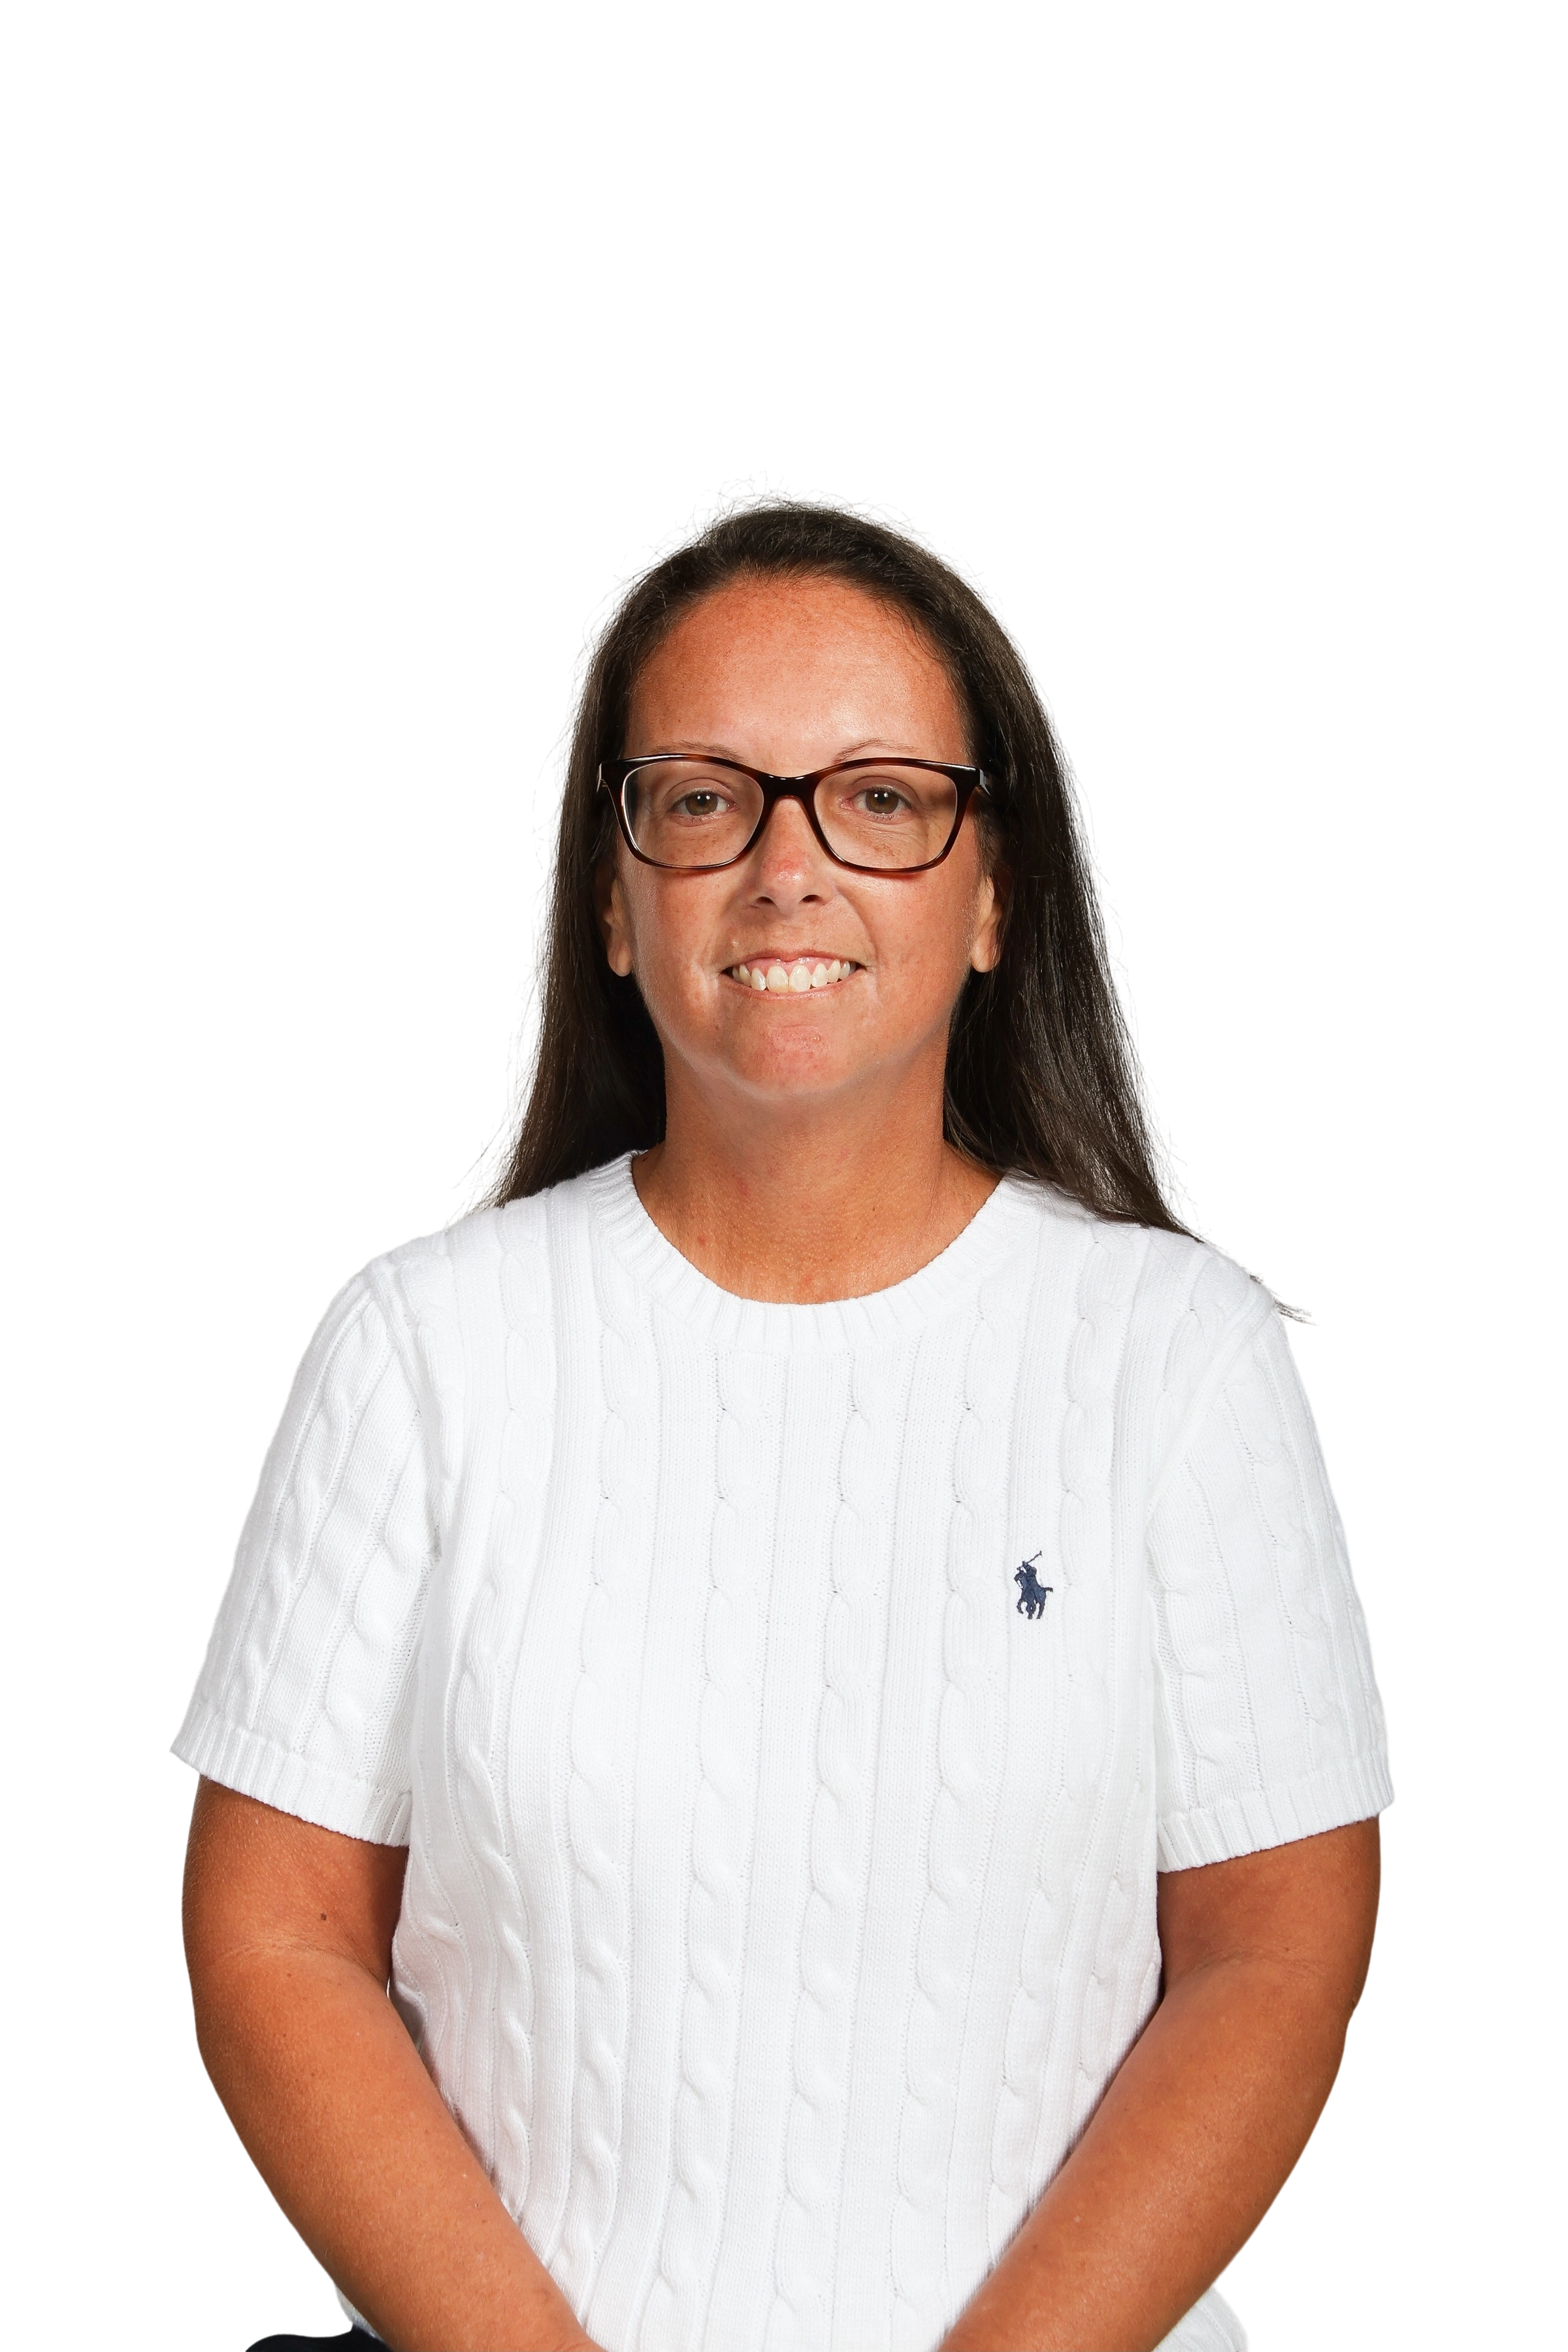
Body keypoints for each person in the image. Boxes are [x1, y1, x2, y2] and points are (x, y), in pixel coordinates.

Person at [171, 474, 1396, 2352]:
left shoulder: (1179, 1359)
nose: (788, 867)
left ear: (996, 898)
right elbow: (275, 1939)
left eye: (882, 799)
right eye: (703, 799)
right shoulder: (422, 1351)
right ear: (610, 898)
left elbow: (1274, 1955)